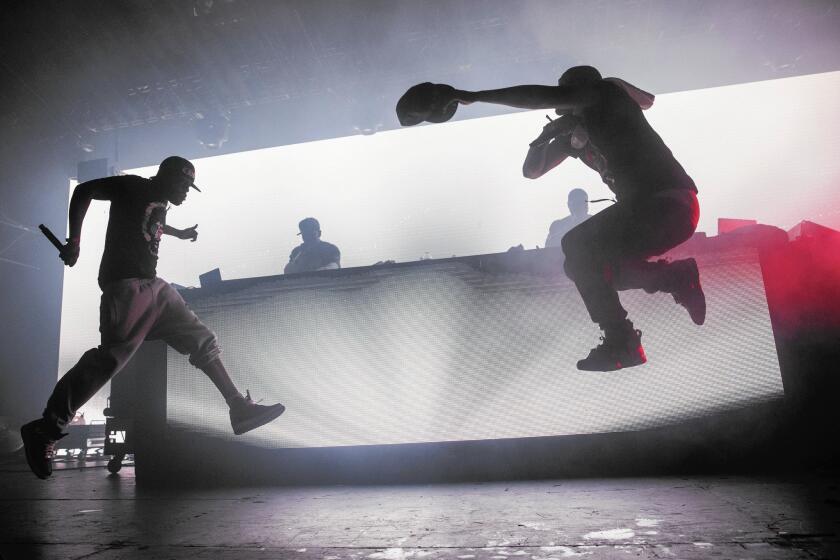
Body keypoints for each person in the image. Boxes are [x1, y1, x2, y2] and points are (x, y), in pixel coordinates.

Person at [20, 156, 285, 479]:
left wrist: (180, 232)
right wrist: (75, 241)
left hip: (154, 287)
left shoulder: (158, 201)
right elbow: (84, 191)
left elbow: (154, 223)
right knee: (109, 361)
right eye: (184, 185)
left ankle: (238, 407)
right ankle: (46, 428)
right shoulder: (132, 185)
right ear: (168, 177)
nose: (187, 193)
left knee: (203, 340)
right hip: (126, 286)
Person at [438, 66, 706, 371]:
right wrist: (543, 139)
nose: (559, 104)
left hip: (665, 201)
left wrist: (471, 96)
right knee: (586, 269)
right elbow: (532, 171)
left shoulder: (606, 94)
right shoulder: (580, 137)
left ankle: (623, 342)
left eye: (564, 94)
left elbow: (539, 96)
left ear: (576, 91)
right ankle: (674, 278)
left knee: (576, 244)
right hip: (661, 211)